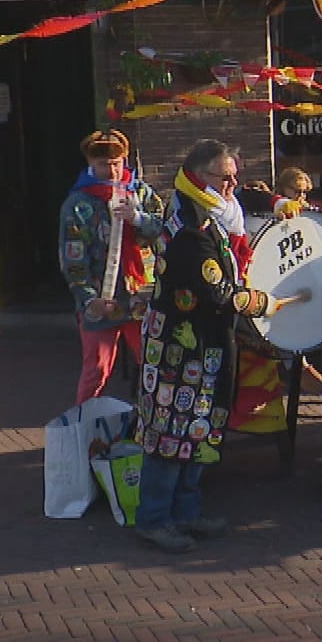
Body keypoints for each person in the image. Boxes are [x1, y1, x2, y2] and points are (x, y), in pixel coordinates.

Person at [130, 139, 274, 552]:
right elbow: (216, 291)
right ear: (199, 176)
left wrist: (278, 201)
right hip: (180, 347)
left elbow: (246, 205)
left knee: (197, 427)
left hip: (202, 343)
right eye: (224, 177)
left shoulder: (211, 212)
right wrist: (261, 302)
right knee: (171, 430)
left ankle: (186, 512)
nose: (232, 185)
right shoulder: (191, 227)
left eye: (234, 177)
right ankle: (155, 518)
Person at [58, 130, 166, 407]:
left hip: (141, 292)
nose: (113, 170)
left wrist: (137, 218)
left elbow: (165, 230)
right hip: (102, 296)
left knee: (154, 363)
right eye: (104, 164)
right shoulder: (79, 203)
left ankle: (155, 420)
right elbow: (73, 258)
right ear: (91, 163)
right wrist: (88, 298)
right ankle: (84, 424)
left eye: (117, 163)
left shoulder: (140, 192)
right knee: (97, 368)